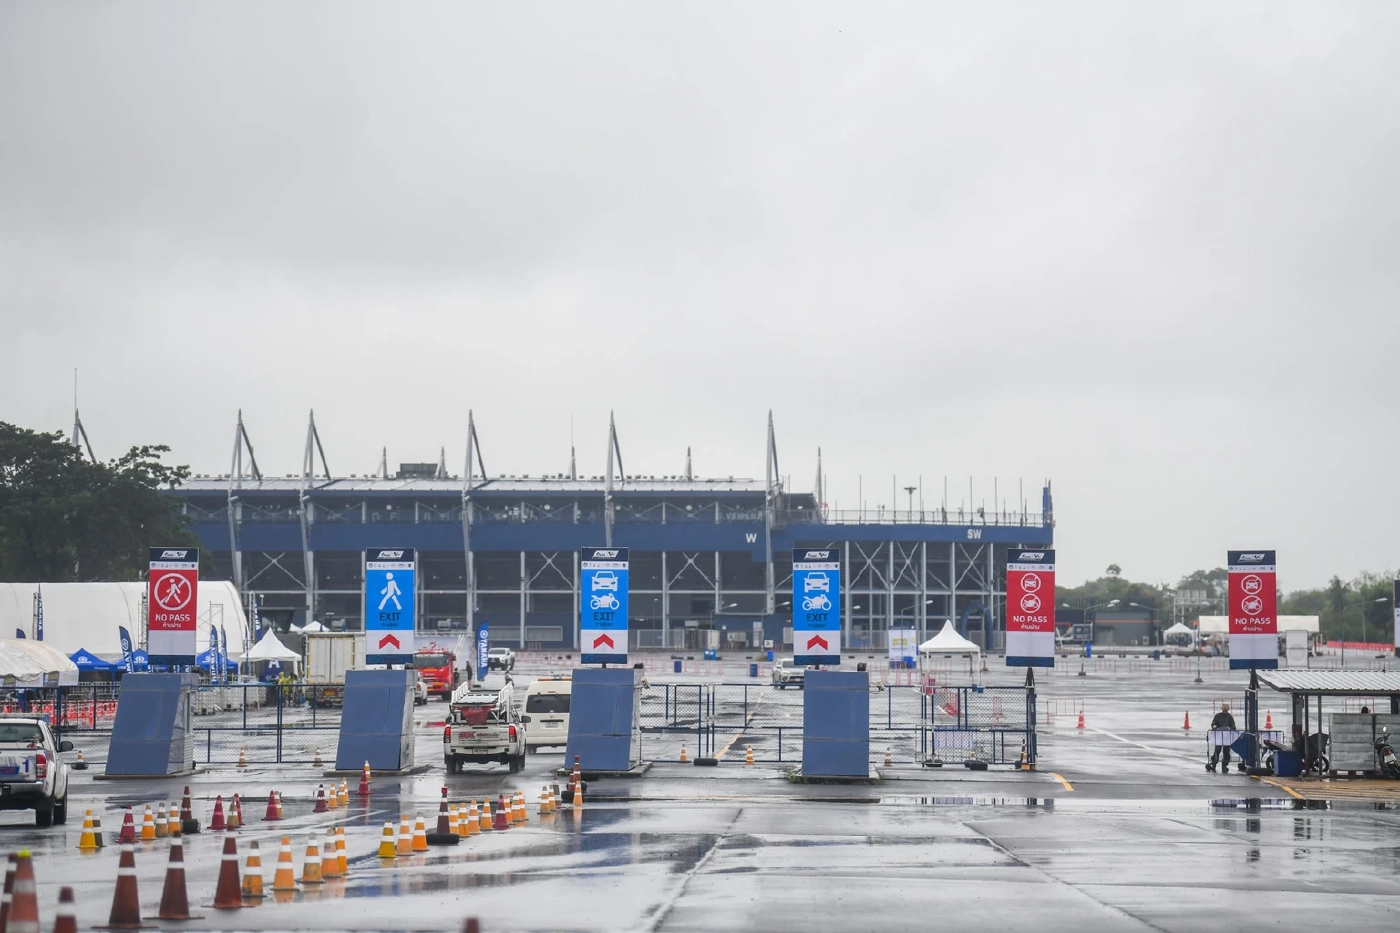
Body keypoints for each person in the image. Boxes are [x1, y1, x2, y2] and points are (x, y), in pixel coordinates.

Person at [1207, 703, 1237, 773]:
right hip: (1219, 736)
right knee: (1217, 750)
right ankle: (1214, 764)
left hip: (1226, 737)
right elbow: (1214, 723)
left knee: (1226, 751)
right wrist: (1214, 726)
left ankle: (1224, 765)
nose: (1225, 708)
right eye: (1224, 707)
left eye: (1226, 707)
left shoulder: (1229, 717)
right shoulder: (1218, 716)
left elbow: (1233, 726)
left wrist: (1230, 729)